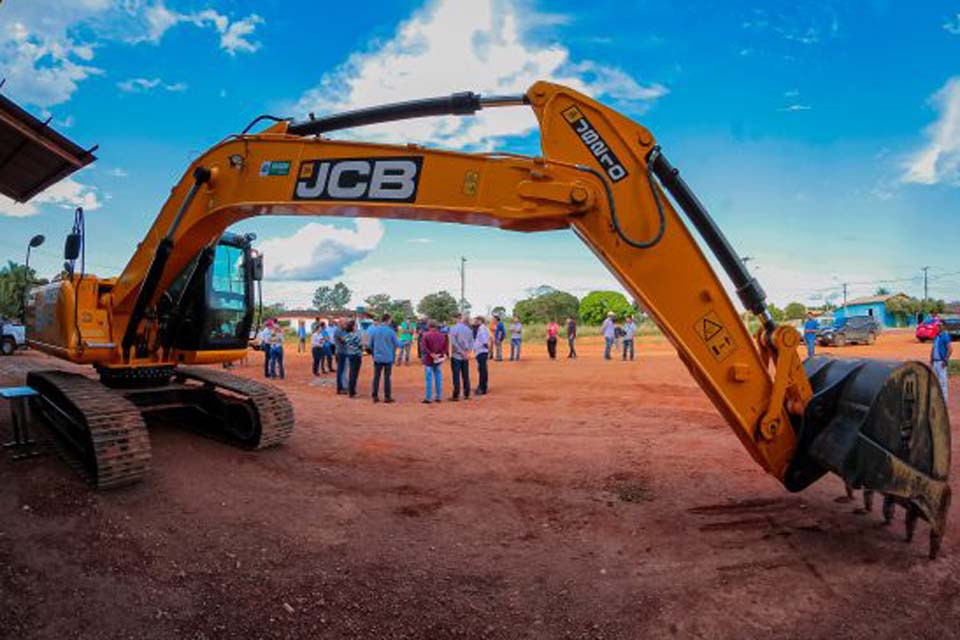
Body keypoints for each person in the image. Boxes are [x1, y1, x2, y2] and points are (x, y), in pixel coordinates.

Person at [368, 313, 400, 403]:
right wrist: (404, 343)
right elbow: (397, 344)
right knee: (387, 377)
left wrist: (374, 352)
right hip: (388, 358)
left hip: (377, 357)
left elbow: (370, 344)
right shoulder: (391, 331)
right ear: (388, 320)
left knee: (376, 377)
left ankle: (375, 396)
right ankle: (387, 397)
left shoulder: (374, 330)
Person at [420, 320, 448, 404]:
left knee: (429, 379)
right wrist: (440, 354)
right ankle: (438, 396)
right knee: (438, 378)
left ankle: (428, 398)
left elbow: (423, 347)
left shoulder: (426, 335)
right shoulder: (442, 335)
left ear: (429, 326)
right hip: (438, 359)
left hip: (429, 360)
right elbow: (445, 348)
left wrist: (431, 354)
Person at [449, 313, 473, 400]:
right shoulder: (469, 330)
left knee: (456, 375)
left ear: (456, 318)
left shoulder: (453, 329)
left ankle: (456, 395)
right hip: (465, 356)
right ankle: (467, 394)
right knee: (465, 375)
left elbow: (453, 343)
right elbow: (471, 342)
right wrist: (467, 352)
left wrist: (461, 352)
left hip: (457, 355)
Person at [931, 321, 952, 402]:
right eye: (937, 326)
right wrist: (931, 359)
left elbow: (950, 349)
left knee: (943, 383)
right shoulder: (936, 337)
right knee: (935, 381)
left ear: (944, 327)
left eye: (940, 325)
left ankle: (944, 402)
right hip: (935, 362)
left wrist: (945, 360)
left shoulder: (945, 336)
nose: (938, 327)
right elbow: (933, 348)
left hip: (941, 363)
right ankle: (937, 401)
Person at [343, 319, 363, 398]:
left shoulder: (347, 335)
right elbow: (361, 345)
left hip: (350, 355)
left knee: (351, 373)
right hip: (356, 355)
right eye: (355, 326)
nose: (356, 327)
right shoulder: (355, 335)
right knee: (354, 374)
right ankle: (352, 392)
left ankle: (351, 391)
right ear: (353, 327)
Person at [473, 316, 491, 395]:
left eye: (476, 320)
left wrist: (487, 349)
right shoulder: (483, 328)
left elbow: (484, 340)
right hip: (481, 351)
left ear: (480, 321)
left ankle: (482, 388)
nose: (474, 322)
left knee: (482, 370)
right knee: (482, 369)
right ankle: (483, 386)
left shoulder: (482, 328)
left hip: (481, 351)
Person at [334, 319, 349, 395]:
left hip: (344, 352)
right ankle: (340, 388)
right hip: (340, 353)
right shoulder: (338, 331)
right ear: (340, 323)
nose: (345, 324)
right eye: (344, 323)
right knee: (340, 371)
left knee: (344, 370)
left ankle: (344, 386)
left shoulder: (344, 330)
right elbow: (344, 340)